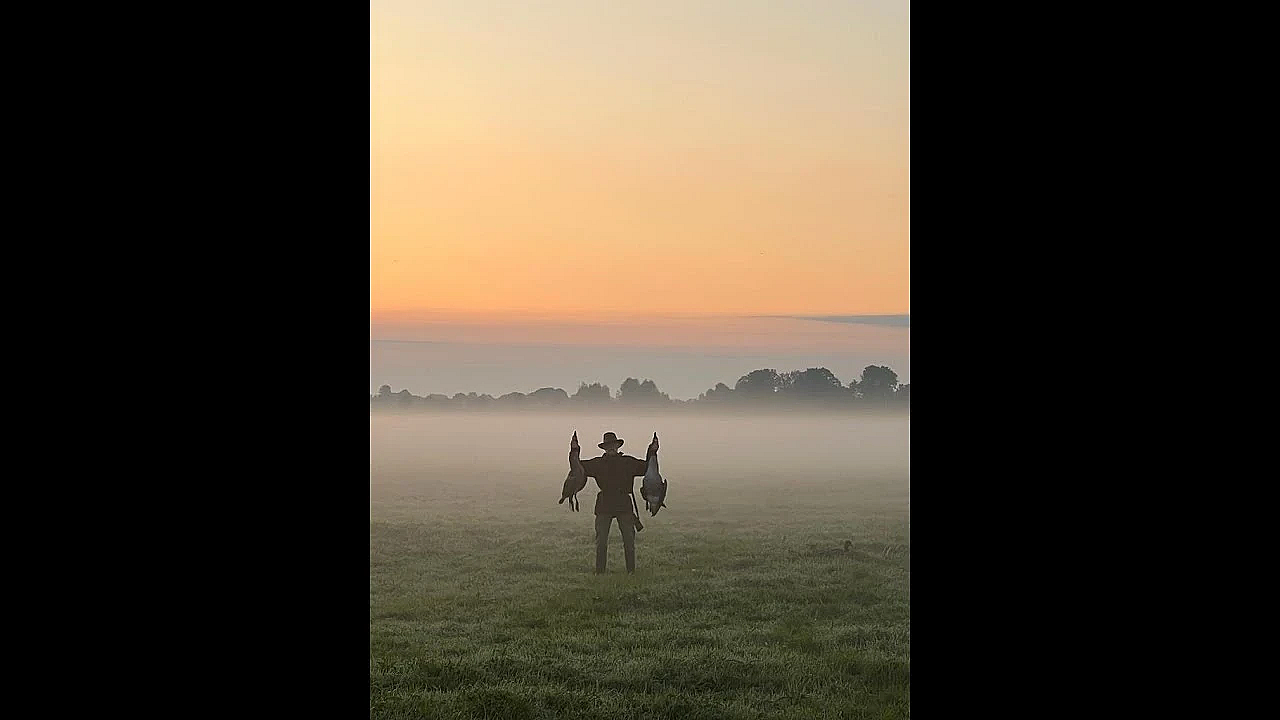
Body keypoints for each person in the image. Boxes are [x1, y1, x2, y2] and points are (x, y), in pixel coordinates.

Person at [569, 431, 658, 574]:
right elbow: (577, 466)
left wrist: (652, 451)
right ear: (604, 448)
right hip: (605, 505)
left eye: (613, 445)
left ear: (617, 446)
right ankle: (600, 573)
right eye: (608, 446)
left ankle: (631, 572)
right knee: (601, 542)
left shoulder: (628, 462)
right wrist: (574, 449)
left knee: (629, 542)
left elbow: (647, 467)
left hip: (624, 505)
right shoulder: (597, 463)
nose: (611, 448)